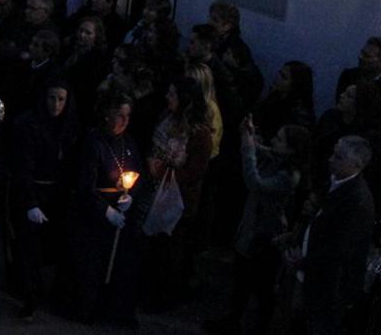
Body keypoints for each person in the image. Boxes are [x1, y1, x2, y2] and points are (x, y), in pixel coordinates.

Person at [205, 120, 309, 335]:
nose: (273, 141)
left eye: (280, 139)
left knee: (262, 287)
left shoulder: (288, 176)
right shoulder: (277, 159)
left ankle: (258, 327)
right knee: (242, 280)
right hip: (254, 229)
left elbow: (256, 183)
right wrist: (251, 138)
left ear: (291, 149)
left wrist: (248, 148)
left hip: (266, 236)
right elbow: (264, 150)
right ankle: (233, 321)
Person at [69, 88, 145, 326]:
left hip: (121, 212)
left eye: (128, 116)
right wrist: (106, 211)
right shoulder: (93, 142)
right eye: (120, 115)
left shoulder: (128, 142)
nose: (124, 121)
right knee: (92, 266)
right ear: (107, 114)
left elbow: (137, 175)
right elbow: (85, 185)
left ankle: (115, 310)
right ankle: (87, 308)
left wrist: (130, 196)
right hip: (95, 214)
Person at [287, 135, 375, 335]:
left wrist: (301, 262)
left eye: (338, 157)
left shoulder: (357, 201)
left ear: (356, 164)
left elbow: (339, 250)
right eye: (334, 153)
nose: (330, 159)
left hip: (329, 290)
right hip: (314, 276)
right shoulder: (337, 182)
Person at [143, 75, 215, 309]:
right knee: (153, 246)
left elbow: (196, 171)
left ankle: (162, 296)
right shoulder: (166, 119)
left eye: (173, 94)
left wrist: (164, 171)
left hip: (178, 200)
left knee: (170, 250)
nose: (167, 97)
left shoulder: (200, 133)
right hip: (155, 191)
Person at [10, 80, 77, 320]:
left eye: (61, 99)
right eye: (52, 98)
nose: (56, 104)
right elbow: (23, 166)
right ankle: (29, 299)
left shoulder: (68, 126)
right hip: (33, 192)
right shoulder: (29, 124)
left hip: (55, 195)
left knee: (44, 249)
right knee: (29, 247)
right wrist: (30, 202)